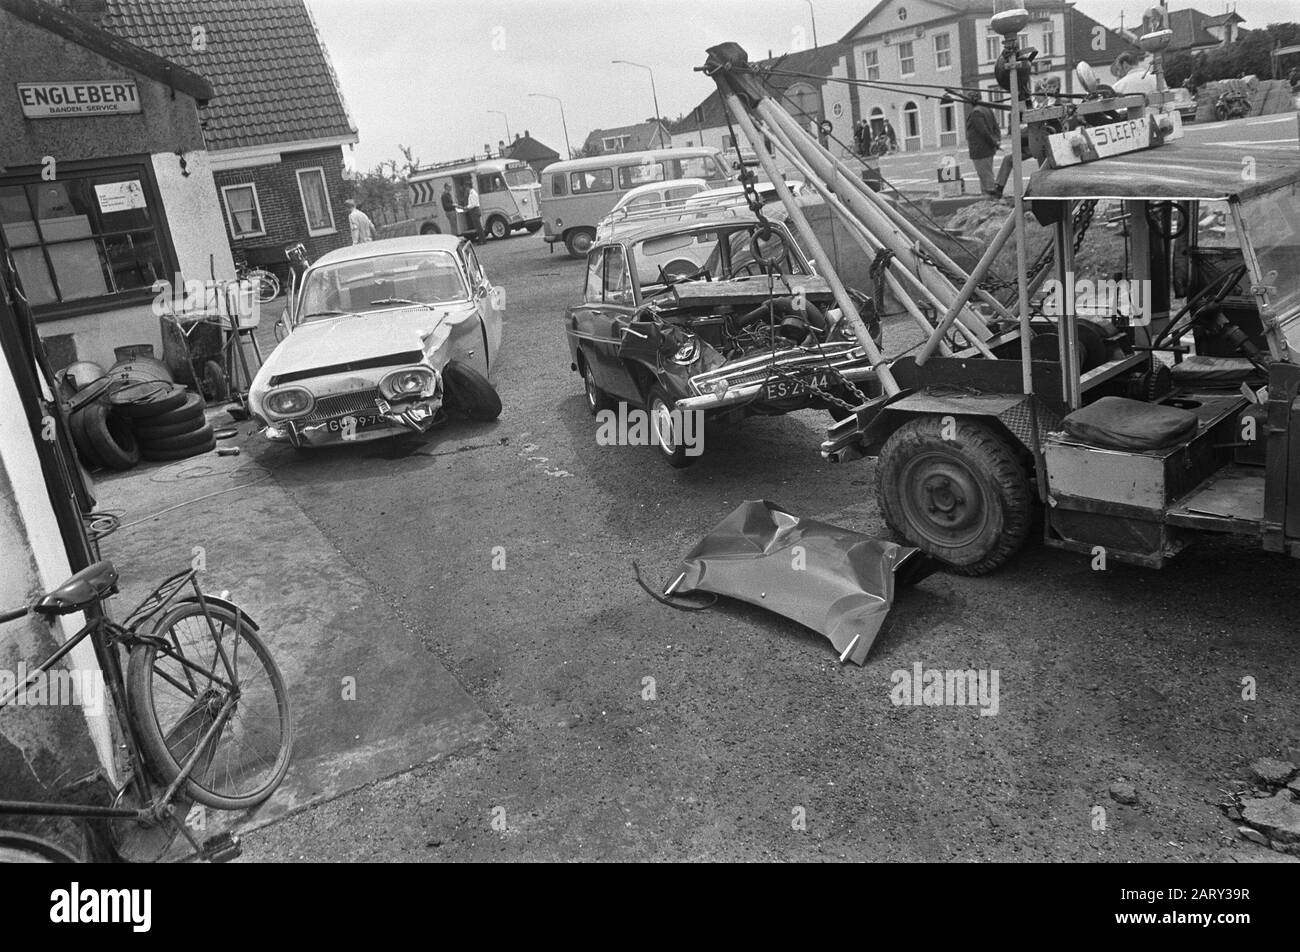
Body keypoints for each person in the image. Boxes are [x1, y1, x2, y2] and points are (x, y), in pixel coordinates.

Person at [965, 92, 1001, 197]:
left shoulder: (976, 112)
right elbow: (996, 127)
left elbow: (983, 131)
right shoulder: (987, 109)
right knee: (986, 174)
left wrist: (994, 142)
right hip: (988, 149)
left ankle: (991, 198)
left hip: (980, 150)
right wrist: (997, 141)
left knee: (985, 176)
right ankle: (986, 197)